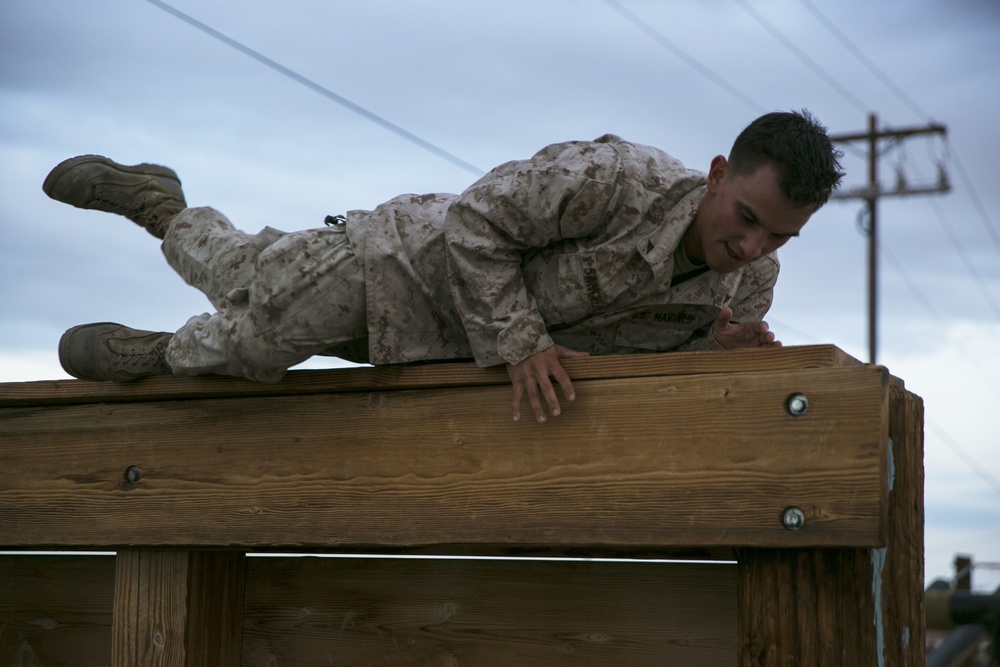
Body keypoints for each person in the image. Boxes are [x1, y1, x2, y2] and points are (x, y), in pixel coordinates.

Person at [43, 110, 843, 423]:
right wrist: (524, 340)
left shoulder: (745, 293)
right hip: (403, 265)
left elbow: (633, 362)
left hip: (446, 349)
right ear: (715, 175)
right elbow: (476, 218)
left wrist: (713, 361)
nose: (752, 249)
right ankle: (154, 331)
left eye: (778, 238)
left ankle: (165, 207)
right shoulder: (615, 179)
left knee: (247, 276)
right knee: (255, 333)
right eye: (746, 219)